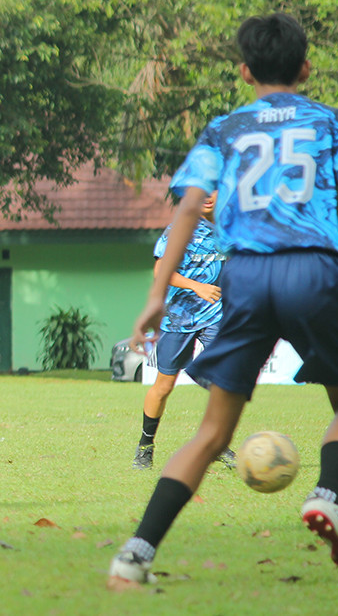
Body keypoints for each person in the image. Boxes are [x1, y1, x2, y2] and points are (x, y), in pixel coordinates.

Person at [108, 13, 338, 589]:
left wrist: (157, 293)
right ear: (307, 68)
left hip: (243, 277)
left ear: (244, 71)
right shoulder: (330, 123)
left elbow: (188, 208)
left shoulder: (225, 128)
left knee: (212, 433)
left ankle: (133, 557)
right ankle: (329, 494)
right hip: (313, 271)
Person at [131, 191, 236, 470]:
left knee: (222, 381)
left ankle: (218, 443)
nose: (207, 196)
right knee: (164, 386)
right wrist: (196, 286)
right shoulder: (181, 228)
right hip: (178, 318)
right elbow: (160, 271)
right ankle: (145, 447)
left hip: (215, 314)